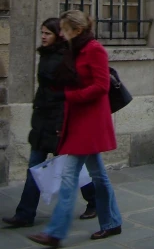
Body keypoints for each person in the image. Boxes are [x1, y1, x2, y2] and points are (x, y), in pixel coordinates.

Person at [29, 10, 122, 248]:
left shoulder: (94, 49)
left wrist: (70, 96)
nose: (61, 33)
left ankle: (56, 232)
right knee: (98, 175)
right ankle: (112, 221)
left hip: (90, 121)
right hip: (79, 119)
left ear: (77, 30)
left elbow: (101, 87)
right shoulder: (75, 49)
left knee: (69, 176)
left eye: (64, 29)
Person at [2, 18, 96, 229]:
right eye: (42, 32)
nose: (43, 36)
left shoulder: (64, 58)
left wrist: (60, 123)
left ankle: (95, 200)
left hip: (57, 122)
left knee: (71, 168)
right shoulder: (46, 55)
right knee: (35, 167)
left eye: (47, 33)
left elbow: (66, 95)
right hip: (43, 119)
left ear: (58, 35)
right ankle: (25, 214)